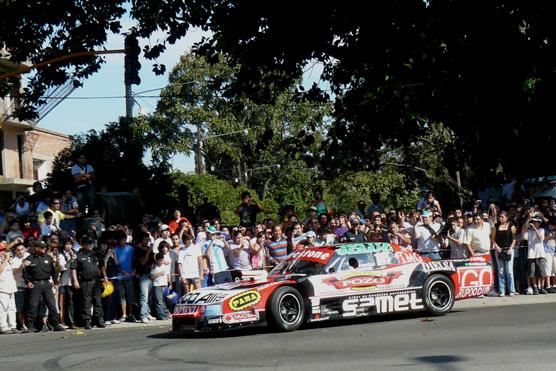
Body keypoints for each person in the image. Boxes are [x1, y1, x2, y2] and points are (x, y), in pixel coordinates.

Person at [22, 241, 65, 332]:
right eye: (42, 248)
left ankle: (55, 324)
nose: (44, 249)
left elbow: (54, 272)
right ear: (37, 248)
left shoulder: (48, 258)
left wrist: (56, 282)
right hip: (35, 284)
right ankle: (30, 326)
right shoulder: (29, 259)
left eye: (45, 247)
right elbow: (25, 272)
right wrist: (28, 282)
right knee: (33, 306)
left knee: (52, 305)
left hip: (46, 284)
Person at [71, 238, 105, 329]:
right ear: (83, 245)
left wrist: (105, 277)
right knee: (86, 302)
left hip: (96, 281)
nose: (90, 246)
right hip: (85, 281)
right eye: (88, 244)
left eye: (91, 244)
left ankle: (98, 320)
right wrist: (75, 281)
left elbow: (102, 266)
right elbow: (73, 268)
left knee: (98, 301)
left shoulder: (95, 254)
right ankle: (86, 321)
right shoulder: (78, 255)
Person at [492, 211, 517, 296]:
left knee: (509, 271)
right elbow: (493, 238)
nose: (500, 218)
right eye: (499, 217)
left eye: (502, 217)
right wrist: (496, 246)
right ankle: (502, 290)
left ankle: (511, 290)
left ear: (506, 217)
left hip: (509, 250)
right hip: (499, 250)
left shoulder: (511, 226)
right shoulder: (496, 226)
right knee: (501, 271)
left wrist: (511, 248)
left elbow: (514, 239)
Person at [522, 216, 547, 295]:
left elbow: (540, 238)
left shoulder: (541, 230)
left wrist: (535, 229)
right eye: (532, 222)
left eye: (535, 222)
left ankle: (542, 287)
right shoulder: (529, 231)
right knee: (532, 272)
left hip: (540, 254)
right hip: (531, 254)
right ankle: (535, 287)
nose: (533, 223)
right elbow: (524, 238)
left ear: (538, 223)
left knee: (542, 272)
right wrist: (527, 223)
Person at [134, 231, 155, 323]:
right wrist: (148, 252)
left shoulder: (150, 250)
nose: (147, 241)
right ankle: (143, 315)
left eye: (148, 239)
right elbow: (142, 262)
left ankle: (147, 313)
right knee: (144, 297)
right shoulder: (138, 250)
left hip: (151, 275)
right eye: (145, 239)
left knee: (149, 297)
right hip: (143, 276)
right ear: (141, 240)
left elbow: (152, 261)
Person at [114, 231, 135, 322]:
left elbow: (134, 261)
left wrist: (134, 271)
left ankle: (130, 314)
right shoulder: (115, 249)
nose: (124, 241)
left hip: (130, 276)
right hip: (119, 277)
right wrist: (122, 271)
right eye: (122, 240)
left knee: (130, 296)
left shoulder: (131, 249)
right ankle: (124, 314)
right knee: (122, 297)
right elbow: (115, 264)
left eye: (125, 239)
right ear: (118, 240)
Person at [11, 242, 30, 332]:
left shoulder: (28, 256)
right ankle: (23, 325)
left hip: (31, 285)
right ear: (15, 251)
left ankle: (31, 324)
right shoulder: (14, 260)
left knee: (30, 306)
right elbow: (14, 271)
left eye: (22, 249)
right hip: (19, 286)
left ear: (25, 249)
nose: (20, 252)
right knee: (20, 307)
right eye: (18, 250)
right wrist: (21, 266)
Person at [0, 243, 18, 334]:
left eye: (3, 250)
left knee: (12, 308)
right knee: (3, 308)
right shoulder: (4, 261)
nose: (3, 252)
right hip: (2, 288)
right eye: (1, 251)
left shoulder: (7, 260)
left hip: (11, 287)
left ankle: (12, 325)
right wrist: (6, 259)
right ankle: (3, 327)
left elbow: (14, 271)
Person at [150, 253, 170, 320]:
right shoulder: (154, 267)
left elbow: (168, 275)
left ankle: (166, 314)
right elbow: (152, 277)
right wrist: (159, 273)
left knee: (165, 301)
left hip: (165, 285)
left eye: (162, 260)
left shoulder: (165, 266)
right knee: (159, 301)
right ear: (157, 260)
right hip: (157, 286)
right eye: (160, 260)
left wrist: (169, 284)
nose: (161, 262)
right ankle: (160, 315)